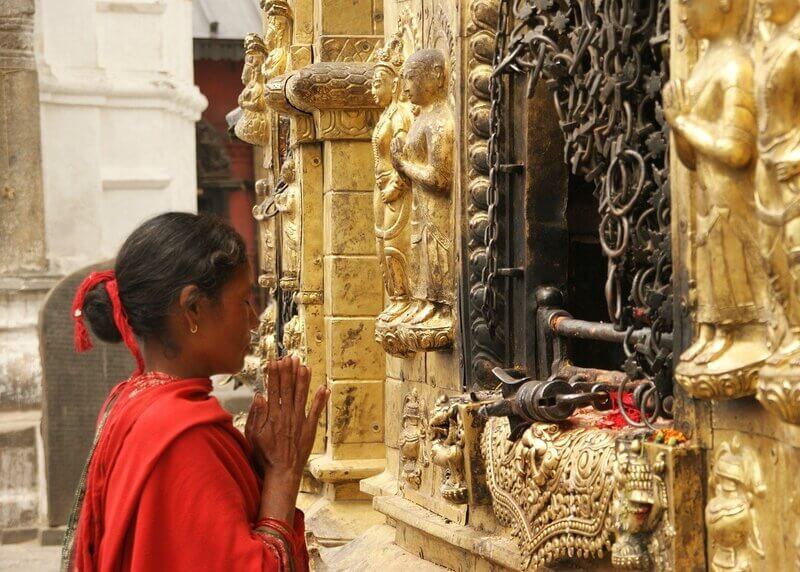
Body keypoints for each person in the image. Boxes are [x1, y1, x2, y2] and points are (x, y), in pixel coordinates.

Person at [62, 212, 328, 571]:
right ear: (192, 309)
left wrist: (258, 467)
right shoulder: (183, 438)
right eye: (244, 301)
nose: (254, 320)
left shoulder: (131, 401)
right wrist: (284, 473)